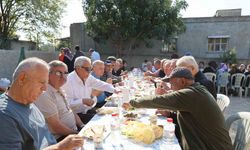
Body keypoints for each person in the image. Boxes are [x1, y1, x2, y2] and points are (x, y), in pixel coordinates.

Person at [123, 67, 233, 150]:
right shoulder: (197, 90)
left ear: (182, 81)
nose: (170, 87)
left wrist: (132, 103)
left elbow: (157, 100)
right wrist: (170, 114)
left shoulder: (189, 94)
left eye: (172, 84)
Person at [0, 57, 83, 150]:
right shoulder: (5, 115)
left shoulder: (29, 103)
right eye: (42, 82)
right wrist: (60, 147)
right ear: (22, 78)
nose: (45, 89)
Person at [35, 60, 84, 141]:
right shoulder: (45, 94)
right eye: (58, 73)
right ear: (48, 74)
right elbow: (55, 127)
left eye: (65, 73)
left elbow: (70, 110)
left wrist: (82, 125)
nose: (63, 76)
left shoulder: (60, 89)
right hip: (60, 138)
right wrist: (77, 134)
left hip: (72, 131)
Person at [62, 56, 115, 124]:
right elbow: (66, 105)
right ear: (78, 68)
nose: (90, 71)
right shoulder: (68, 81)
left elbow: (101, 84)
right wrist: (82, 101)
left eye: (90, 68)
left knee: (109, 117)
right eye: (88, 69)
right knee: (104, 122)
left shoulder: (88, 77)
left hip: (88, 110)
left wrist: (115, 90)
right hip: (76, 116)